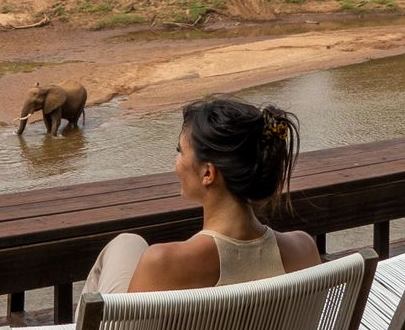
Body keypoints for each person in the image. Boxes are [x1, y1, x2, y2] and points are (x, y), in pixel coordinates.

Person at [83, 95, 321, 295]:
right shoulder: (304, 250)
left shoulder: (163, 263)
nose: (176, 163)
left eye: (180, 152)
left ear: (208, 173)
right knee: (129, 243)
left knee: (126, 242)